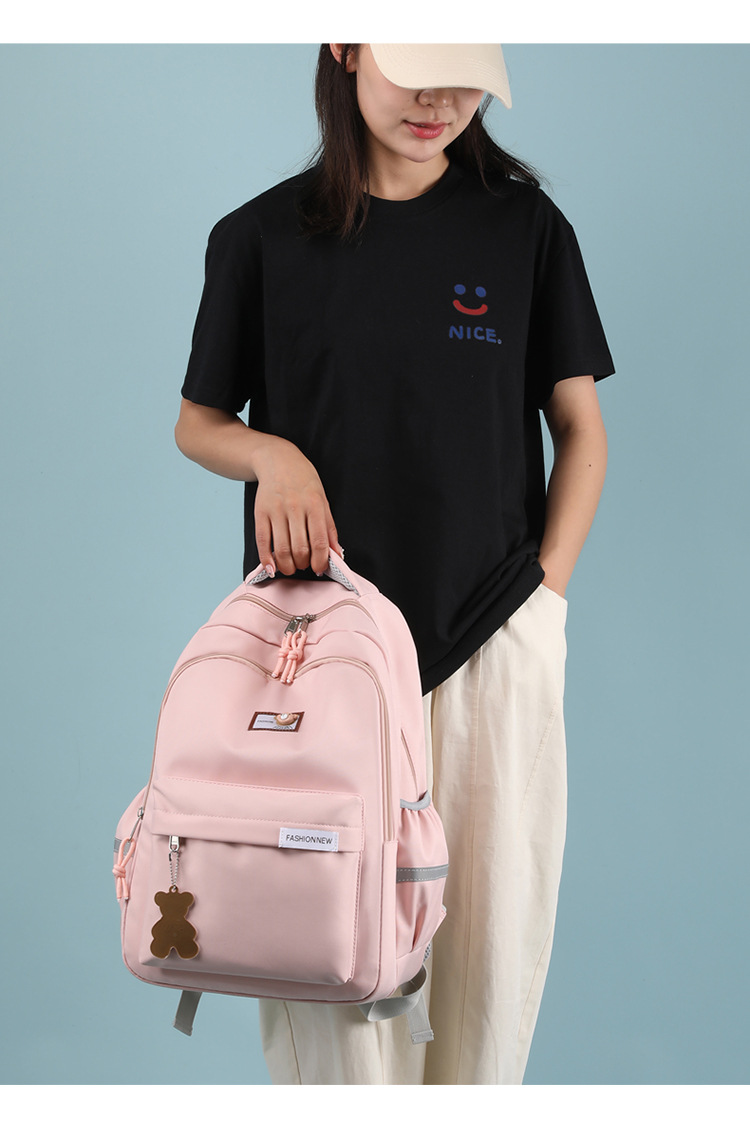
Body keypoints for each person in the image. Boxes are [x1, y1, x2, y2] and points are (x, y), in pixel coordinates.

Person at [174, 43, 614, 1085]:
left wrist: (544, 601)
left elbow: (580, 431)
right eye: (417, 66)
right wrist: (272, 455)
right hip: (316, 661)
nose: (441, 100)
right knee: (325, 980)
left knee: (485, 975)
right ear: (344, 43)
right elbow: (199, 422)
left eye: (465, 76)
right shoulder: (260, 237)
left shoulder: (525, 229)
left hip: (492, 642)